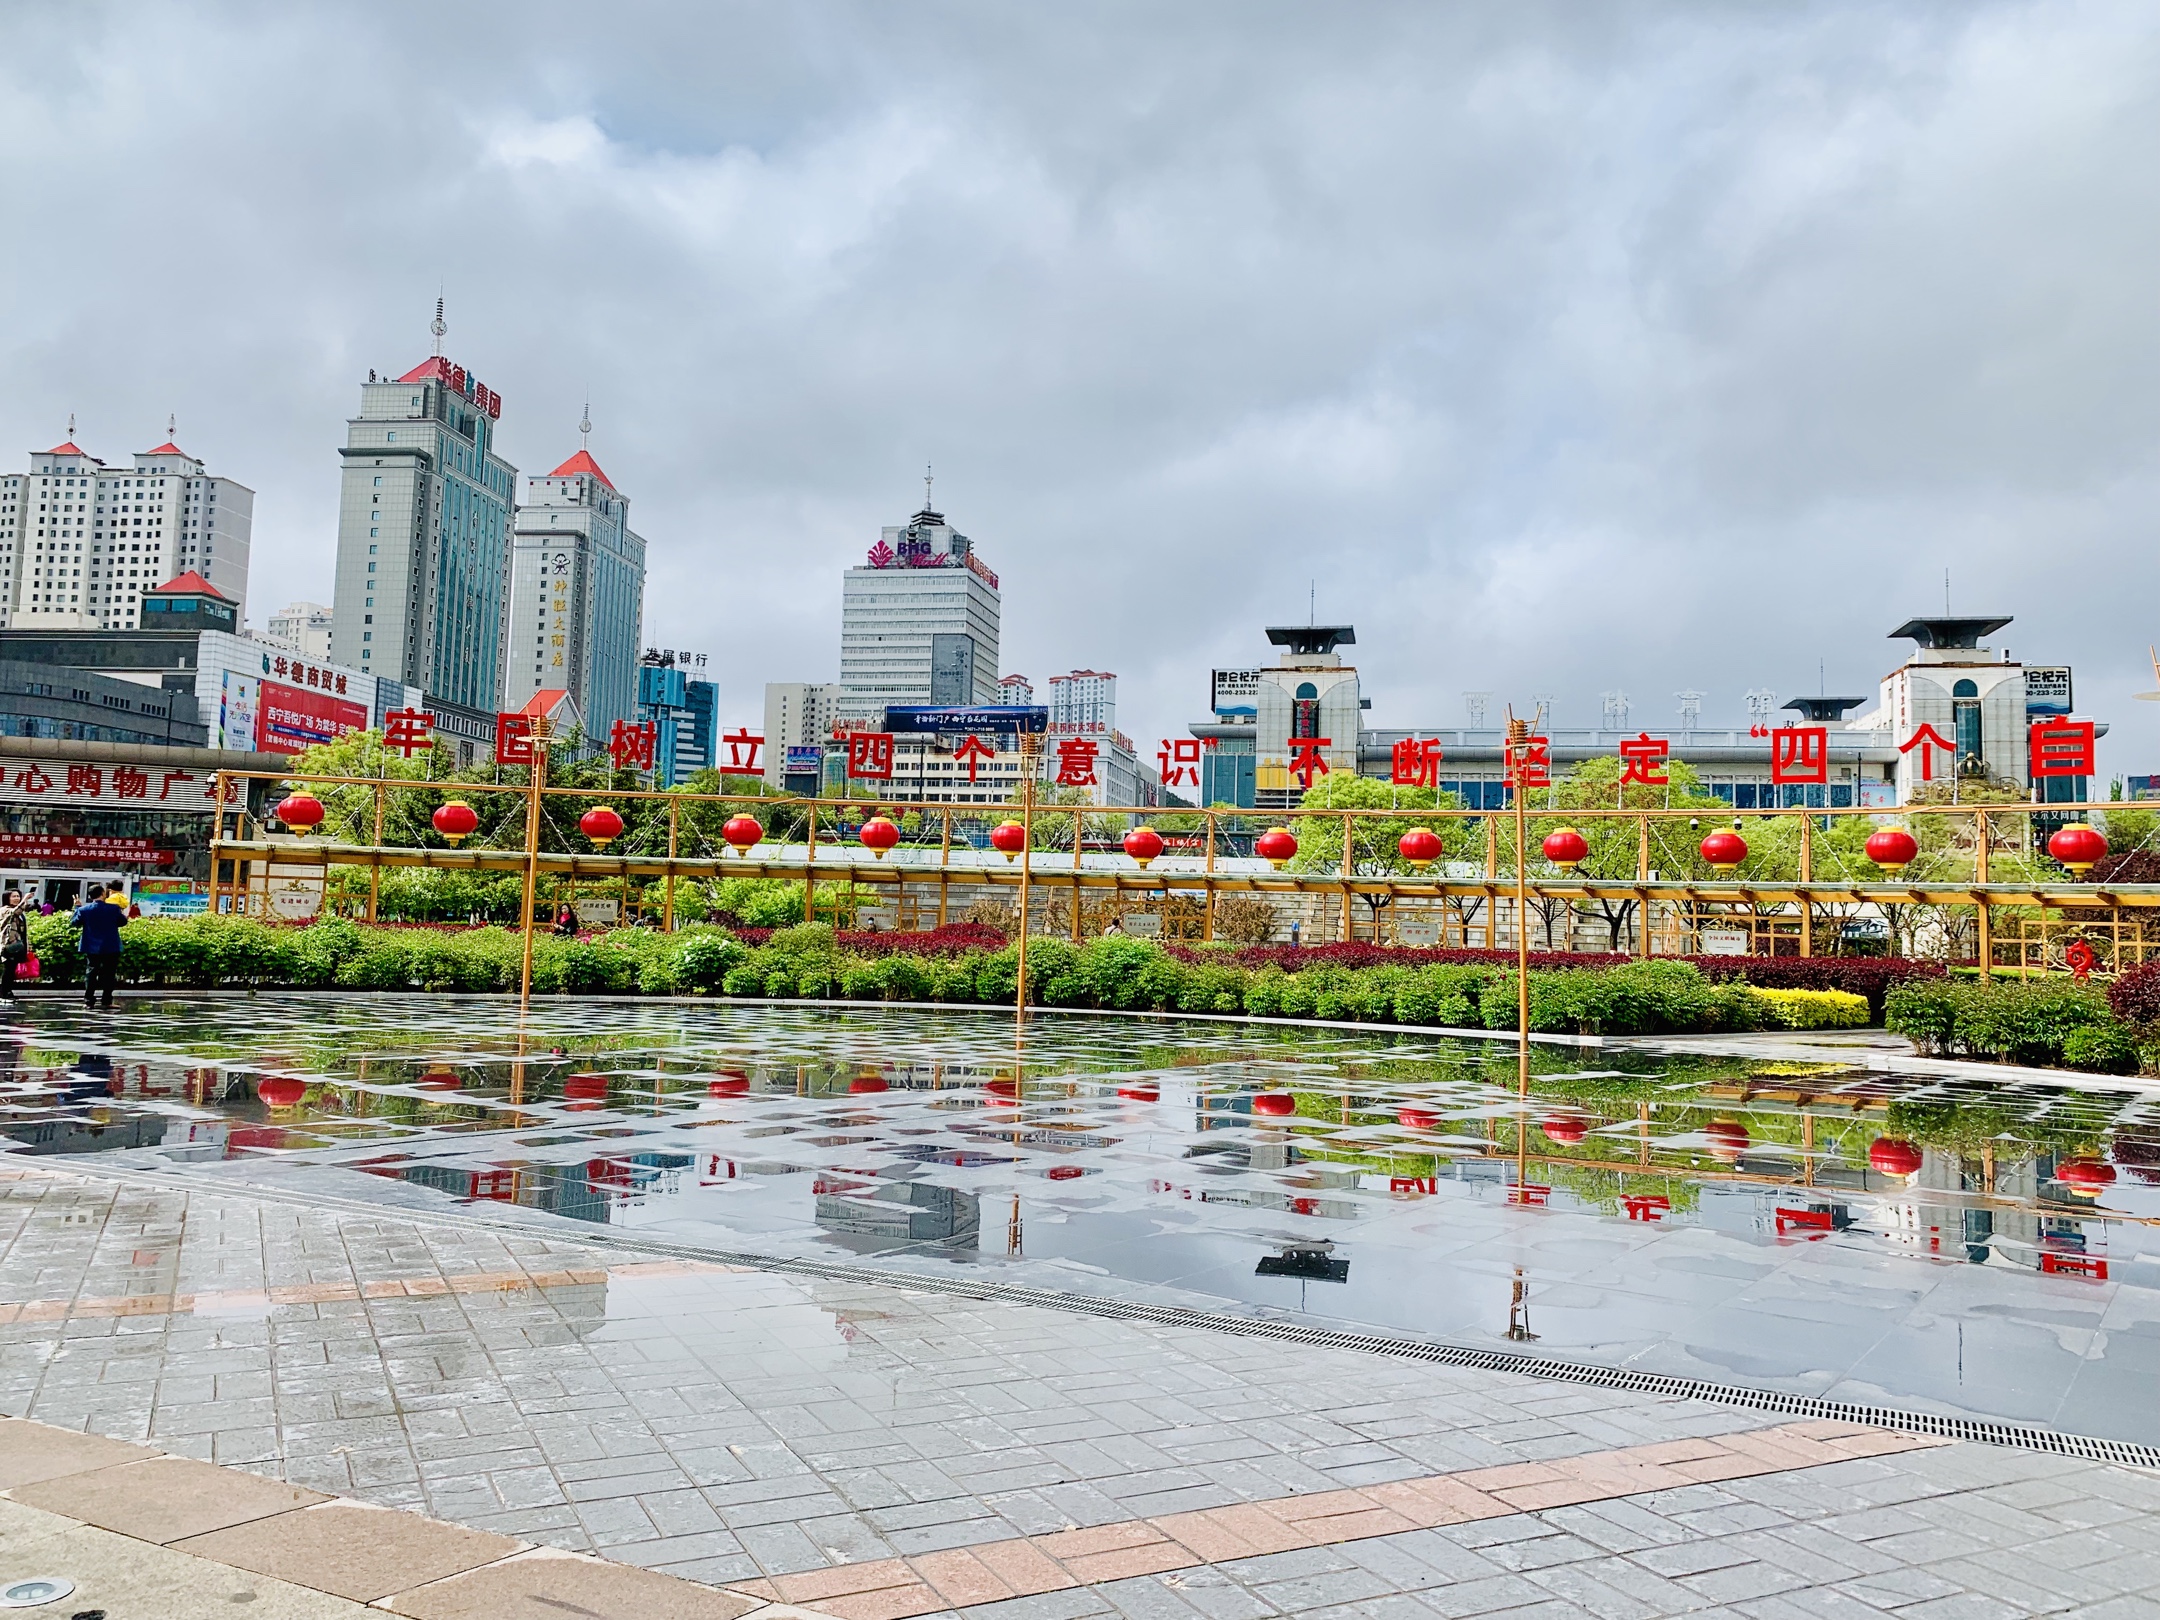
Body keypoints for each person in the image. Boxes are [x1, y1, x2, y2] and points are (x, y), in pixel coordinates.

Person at [72, 883, 128, 1011]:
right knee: (109, 974)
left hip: (91, 946)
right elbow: (123, 922)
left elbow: (75, 922)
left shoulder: (84, 910)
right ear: (103, 894)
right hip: (110, 945)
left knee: (91, 973)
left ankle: (88, 1001)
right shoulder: (113, 909)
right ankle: (107, 1001)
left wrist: (77, 907)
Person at [0, 888, 29, 1007]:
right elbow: (14, 913)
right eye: (14, 896)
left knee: (11, 970)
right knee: (8, 969)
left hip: (17, 944)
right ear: (7, 898)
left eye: (18, 896)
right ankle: (4, 993)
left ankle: (8, 991)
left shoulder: (19, 912)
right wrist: (25, 900)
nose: (17, 898)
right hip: (8, 944)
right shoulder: (5, 910)